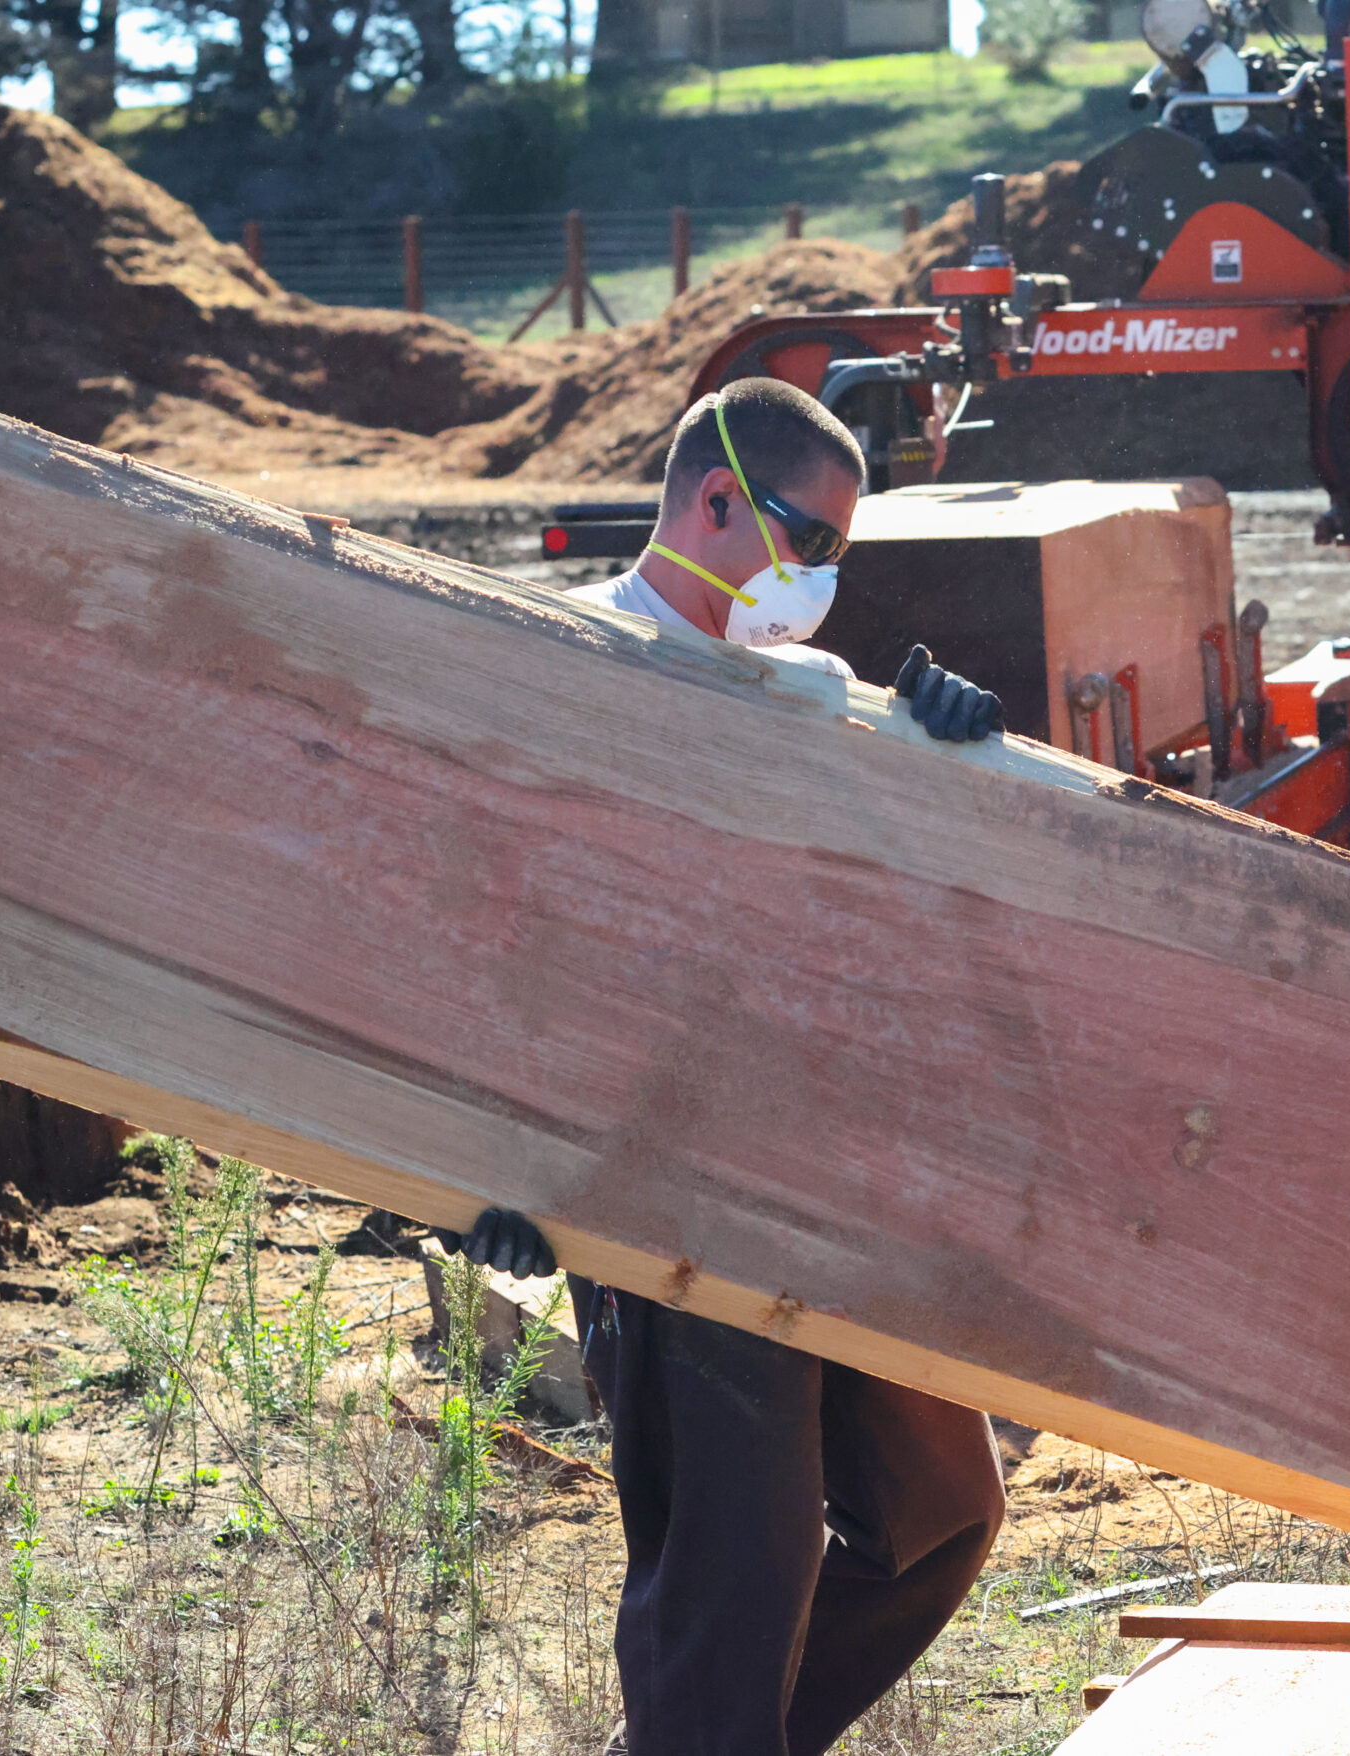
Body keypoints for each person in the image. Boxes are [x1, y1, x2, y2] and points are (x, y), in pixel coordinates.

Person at [435, 376, 1010, 1756]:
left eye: (837, 558)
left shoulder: (805, 688)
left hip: (827, 1170)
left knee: (943, 1513)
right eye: (808, 543)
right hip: (670, 1195)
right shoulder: (572, 669)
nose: (821, 582)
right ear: (712, 503)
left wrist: (948, 760)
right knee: (737, 1575)